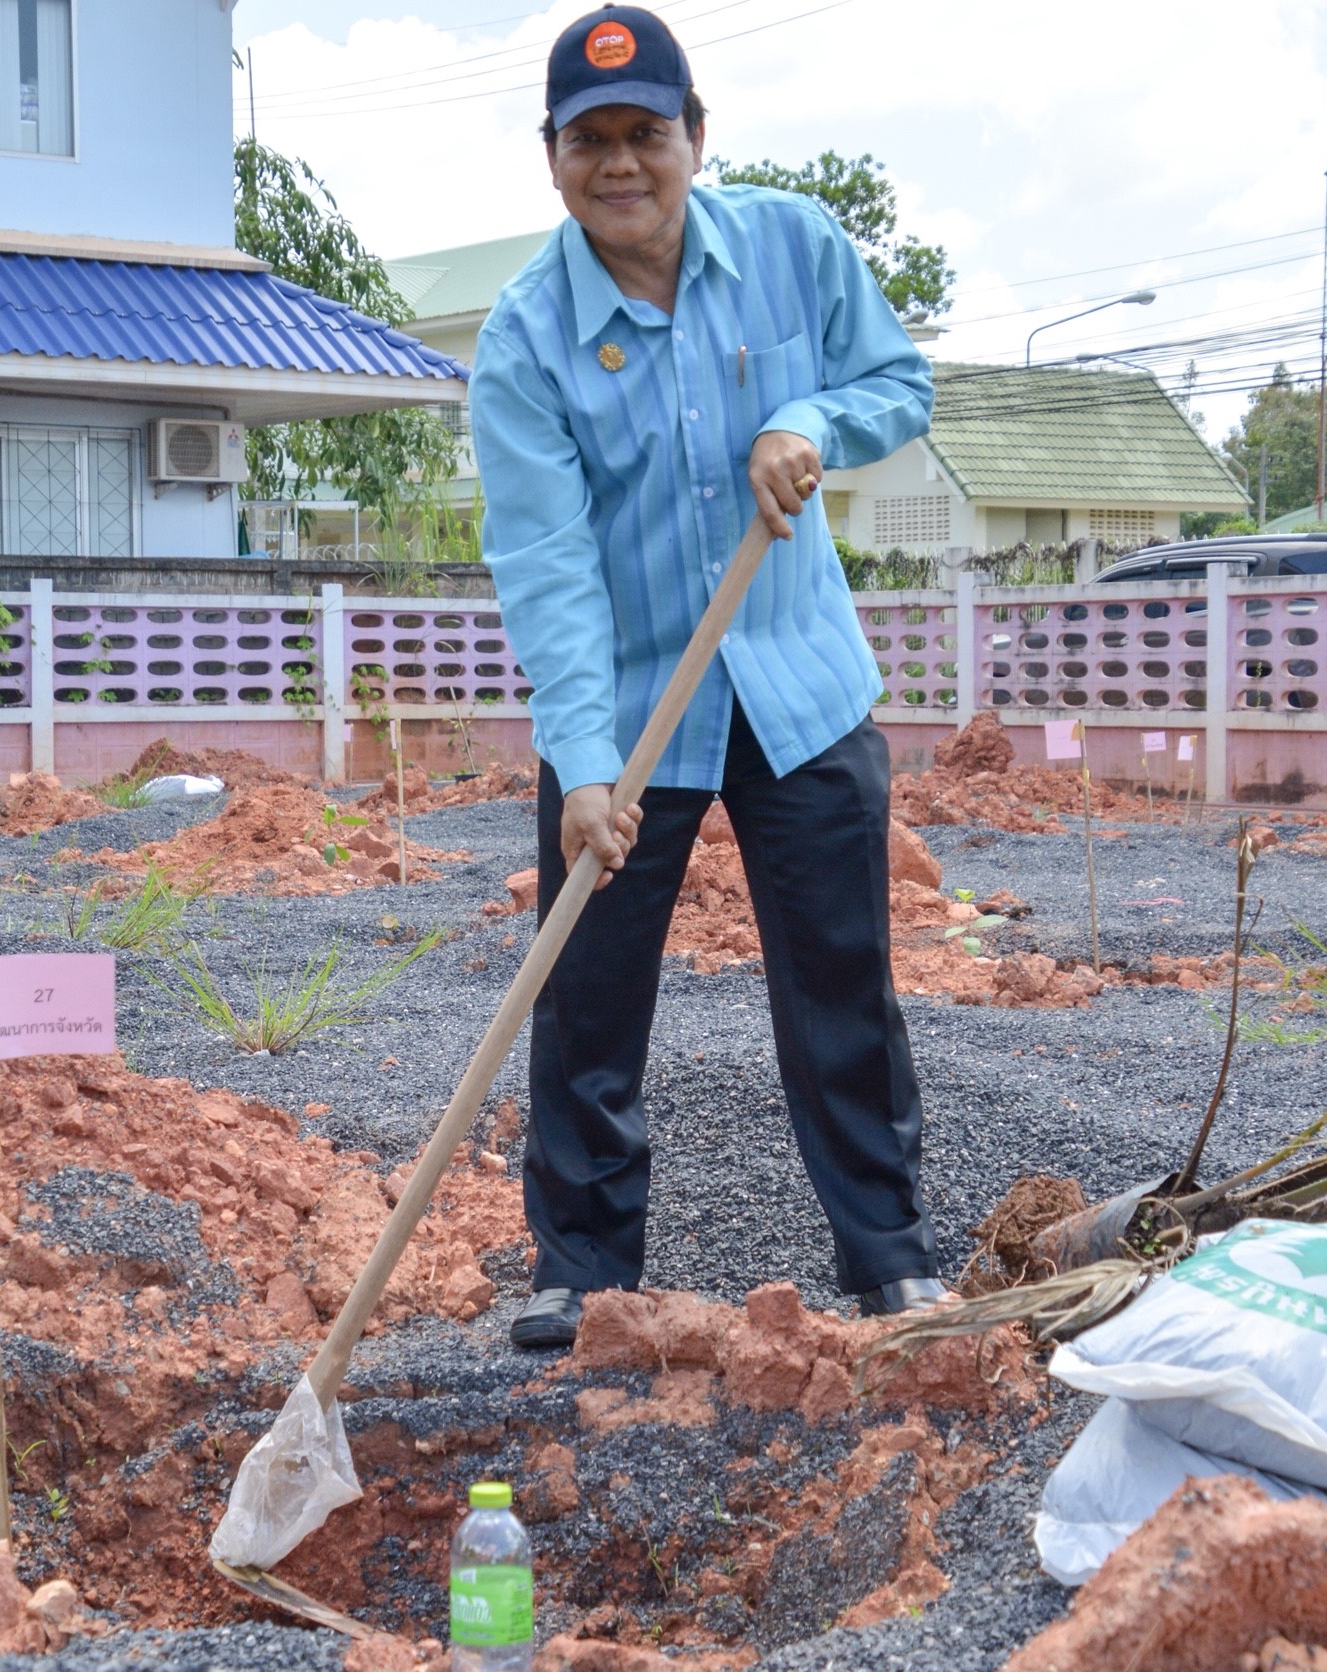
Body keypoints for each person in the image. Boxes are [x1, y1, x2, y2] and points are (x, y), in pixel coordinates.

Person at [469, 5, 946, 1350]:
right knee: (588, 984)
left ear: (695, 138)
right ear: (552, 154)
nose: (620, 164)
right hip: (626, 709)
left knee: (844, 972)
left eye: (645, 133)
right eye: (589, 140)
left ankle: (888, 1251)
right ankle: (582, 1265)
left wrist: (811, 420)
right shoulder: (525, 340)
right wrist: (579, 765)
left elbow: (897, 383)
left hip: (798, 678)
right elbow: (546, 560)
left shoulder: (793, 248)